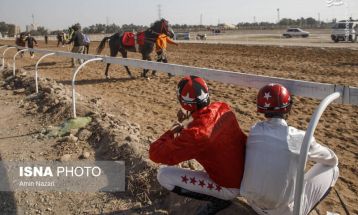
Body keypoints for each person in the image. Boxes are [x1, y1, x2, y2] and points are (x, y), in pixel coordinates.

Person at [149, 76, 247, 215]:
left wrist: (171, 132)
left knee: (164, 175)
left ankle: (220, 200)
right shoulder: (222, 107)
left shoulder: (194, 135)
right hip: (245, 176)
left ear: (183, 102)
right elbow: (206, 125)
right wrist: (187, 122)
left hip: (231, 186)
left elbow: (155, 154)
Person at [240, 83, 339, 215]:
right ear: (288, 107)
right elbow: (332, 160)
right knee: (333, 169)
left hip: (253, 204)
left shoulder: (255, 130)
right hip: (284, 211)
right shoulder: (299, 137)